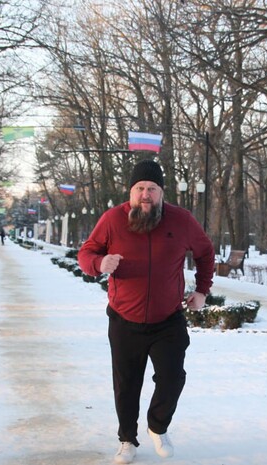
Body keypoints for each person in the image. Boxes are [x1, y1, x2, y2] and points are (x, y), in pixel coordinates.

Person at [78, 159, 214, 464]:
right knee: (126, 384)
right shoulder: (113, 220)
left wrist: (202, 290)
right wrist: (99, 263)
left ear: (161, 192)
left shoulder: (181, 220)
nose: (145, 194)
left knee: (173, 377)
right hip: (124, 320)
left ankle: (158, 426)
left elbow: (205, 252)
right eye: (140, 188)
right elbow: (86, 253)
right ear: (131, 192)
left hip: (168, 320)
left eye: (152, 188)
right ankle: (127, 439)